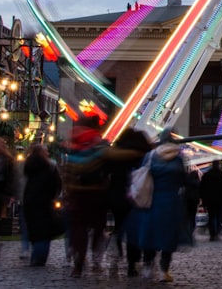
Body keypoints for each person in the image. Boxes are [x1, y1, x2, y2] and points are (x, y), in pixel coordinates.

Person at [64, 116, 142, 278]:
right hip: (96, 192)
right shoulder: (96, 141)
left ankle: (78, 260)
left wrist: (68, 189)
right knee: (98, 226)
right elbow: (113, 155)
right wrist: (136, 152)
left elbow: (68, 169)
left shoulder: (74, 142)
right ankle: (95, 257)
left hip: (76, 192)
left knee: (79, 228)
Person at [129, 129, 188, 282]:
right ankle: (164, 270)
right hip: (171, 201)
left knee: (150, 234)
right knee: (168, 236)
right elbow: (183, 180)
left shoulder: (151, 156)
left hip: (152, 200)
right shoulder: (178, 158)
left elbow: (141, 173)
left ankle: (148, 266)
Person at [106, 127, 152, 278]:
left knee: (121, 224)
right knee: (137, 229)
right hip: (137, 195)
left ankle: (118, 241)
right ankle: (135, 262)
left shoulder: (115, 153)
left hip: (117, 195)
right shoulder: (143, 154)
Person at [22, 143, 62, 267]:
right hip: (44, 202)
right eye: (46, 151)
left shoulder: (28, 166)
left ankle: (36, 255)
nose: (48, 153)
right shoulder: (49, 167)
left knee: (35, 229)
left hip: (30, 201)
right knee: (44, 231)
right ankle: (38, 257)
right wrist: (54, 196)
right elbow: (56, 184)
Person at [199, 160, 222, 241]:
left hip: (209, 200)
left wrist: (203, 200)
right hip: (220, 200)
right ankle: (216, 232)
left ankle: (212, 233)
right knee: (218, 216)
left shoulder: (206, 176)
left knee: (211, 216)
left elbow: (202, 189)